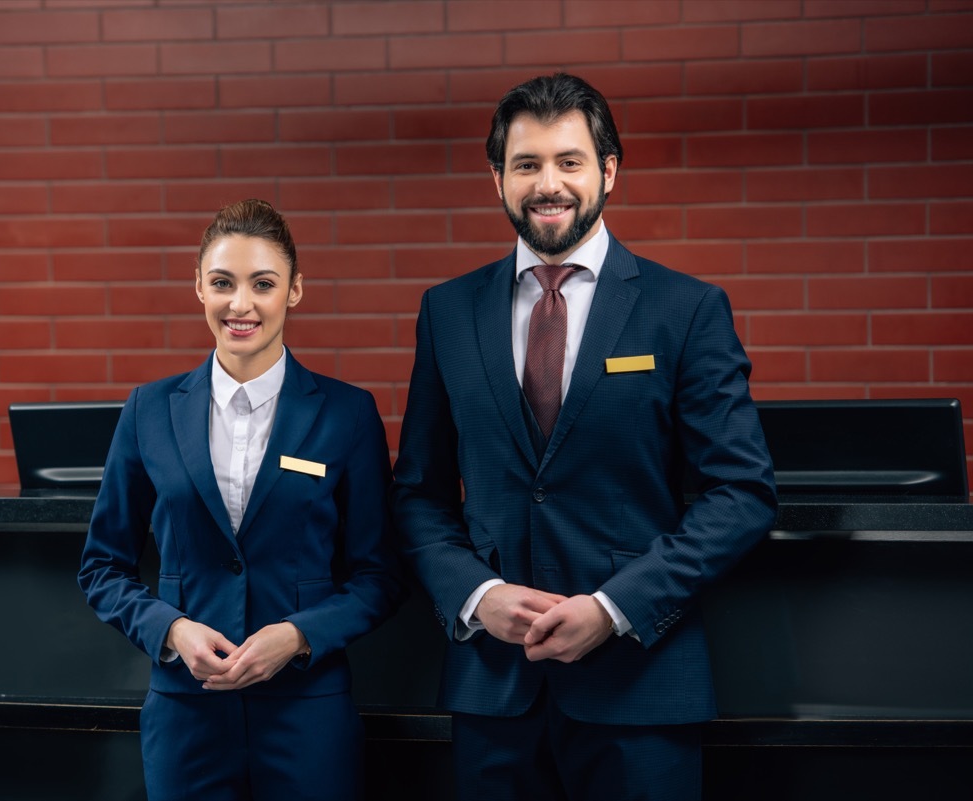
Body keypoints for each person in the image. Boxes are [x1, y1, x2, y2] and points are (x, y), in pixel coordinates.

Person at [390, 73, 778, 801]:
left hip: (640, 685)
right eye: (526, 164)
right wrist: (477, 594)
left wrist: (612, 607)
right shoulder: (446, 312)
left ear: (608, 171)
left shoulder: (685, 310)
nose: (548, 184)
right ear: (497, 178)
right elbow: (418, 494)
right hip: (493, 694)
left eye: (569, 162)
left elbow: (743, 494)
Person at [79, 199, 403, 801]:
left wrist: (298, 636)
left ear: (295, 291)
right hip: (186, 716)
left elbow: (379, 575)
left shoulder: (348, 415)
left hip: (308, 715)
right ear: (198, 287)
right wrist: (172, 631)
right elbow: (101, 566)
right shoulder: (149, 411)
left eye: (263, 284)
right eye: (223, 283)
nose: (241, 304)